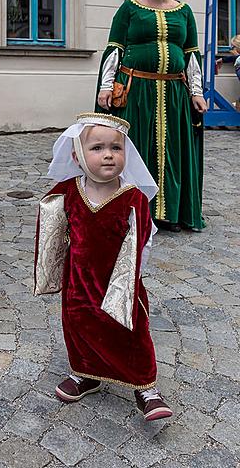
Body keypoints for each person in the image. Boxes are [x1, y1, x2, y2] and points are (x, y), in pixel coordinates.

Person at [35, 112, 173, 421]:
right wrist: (52, 273)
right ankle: (86, 372)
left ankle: (145, 386)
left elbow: (144, 238)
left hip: (120, 280)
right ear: (77, 155)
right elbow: (53, 230)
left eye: (116, 147)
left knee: (131, 330)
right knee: (79, 325)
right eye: (97, 148)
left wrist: (133, 277)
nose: (108, 155)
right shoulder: (68, 191)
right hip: (79, 281)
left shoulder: (133, 198)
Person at [95, 0, 207, 232]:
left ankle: (170, 213)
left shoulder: (183, 11)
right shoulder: (129, 9)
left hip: (173, 93)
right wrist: (106, 86)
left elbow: (191, 55)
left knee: (173, 151)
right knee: (137, 150)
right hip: (137, 91)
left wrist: (196, 91)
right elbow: (115, 49)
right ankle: (136, 211)